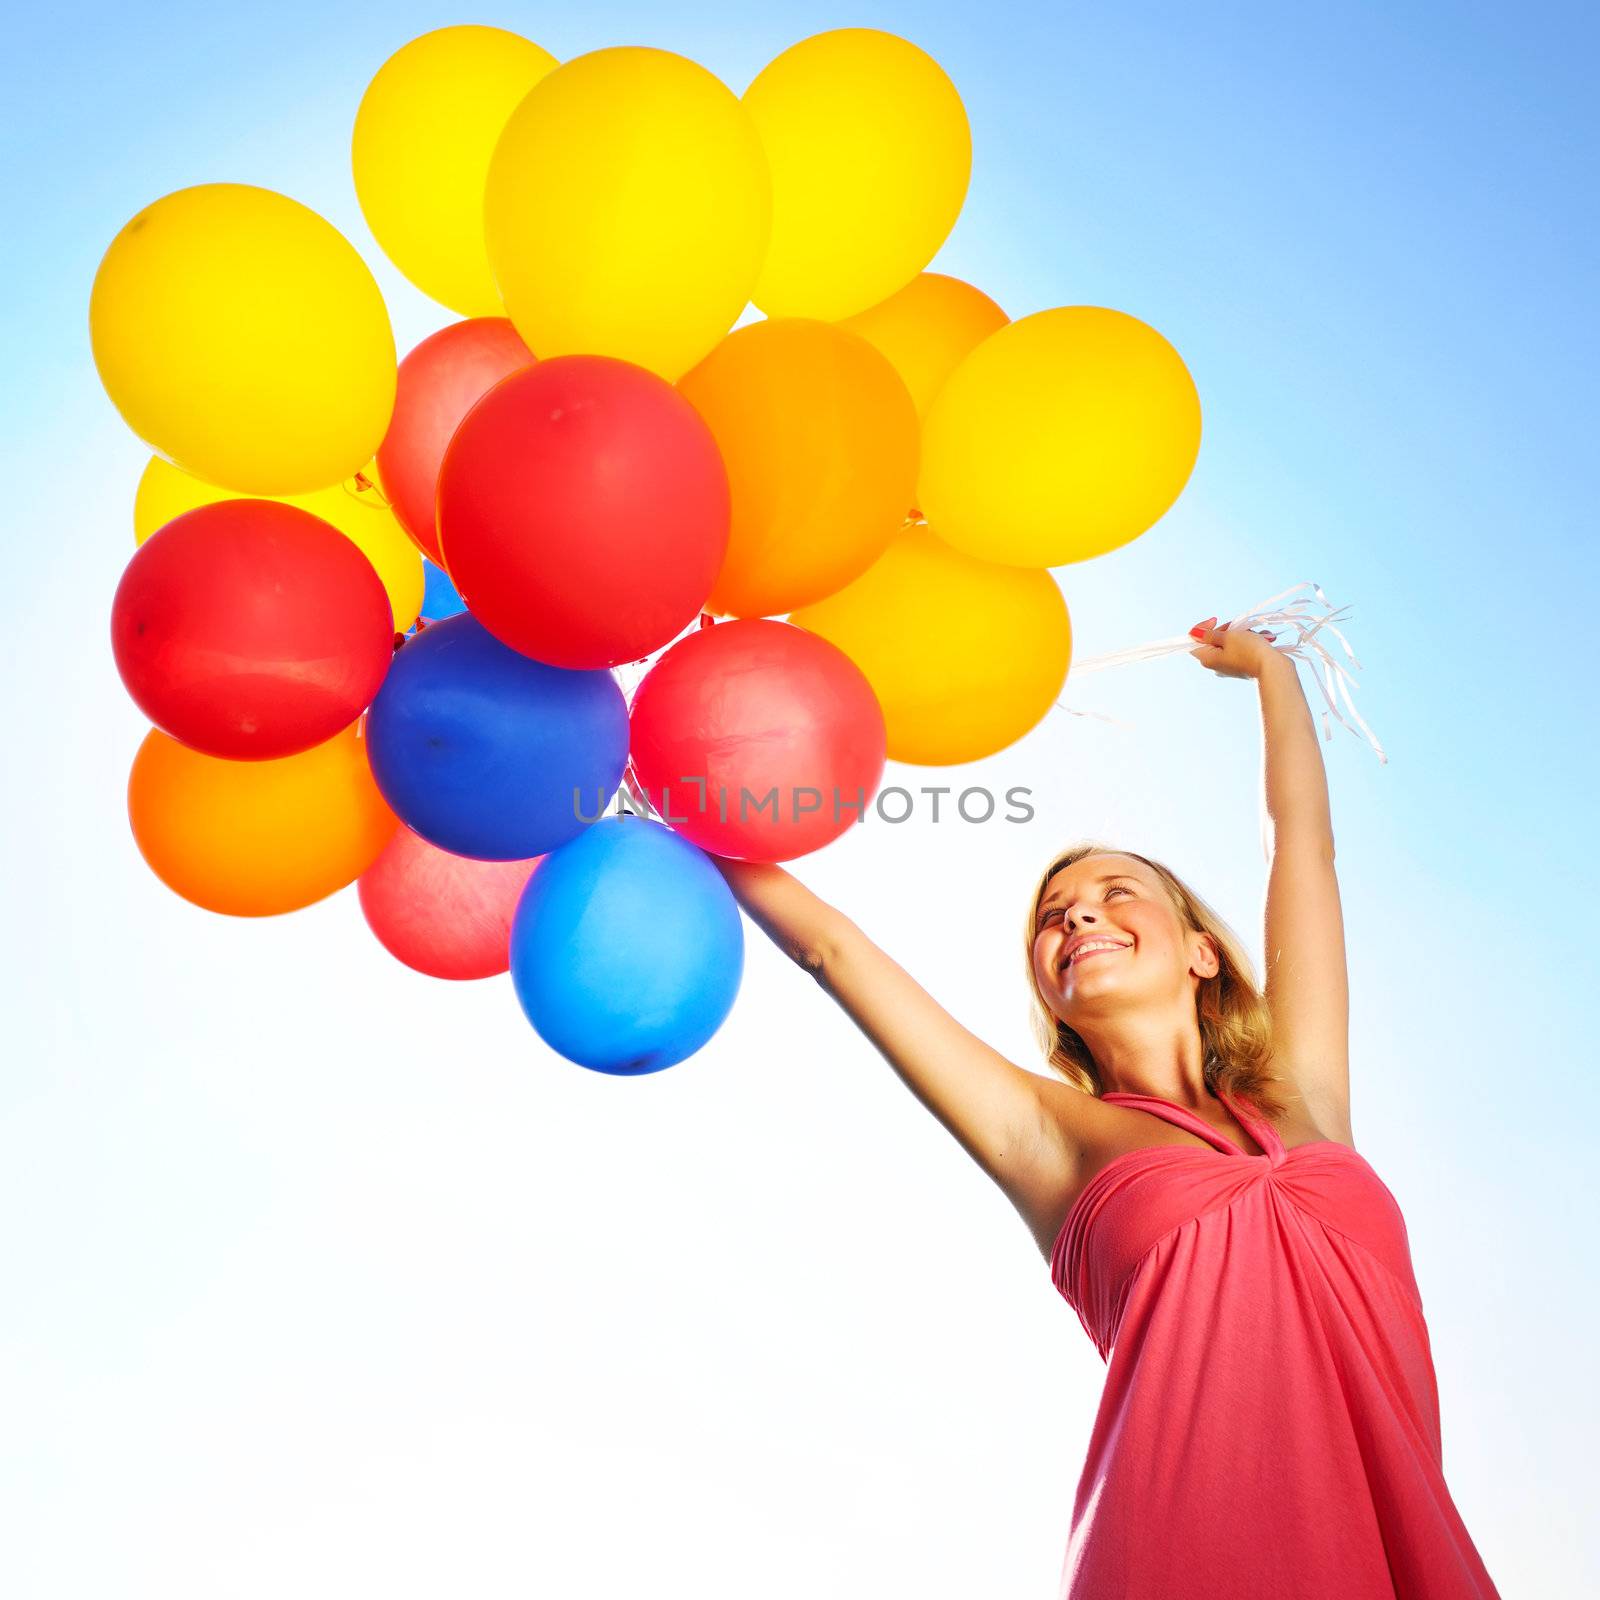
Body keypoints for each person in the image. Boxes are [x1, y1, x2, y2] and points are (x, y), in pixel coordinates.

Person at [709, 619, 1502, 1598]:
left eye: (1112, 892)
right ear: (1050, 993)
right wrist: (681, 790)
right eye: (1053, 915)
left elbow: (1303, 843)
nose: (1077, 914)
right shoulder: (1050, 1139)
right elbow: (832, 949)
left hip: (1394, 1557)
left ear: (1200, 949)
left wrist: (1274, 673)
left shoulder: (1307, 1094)